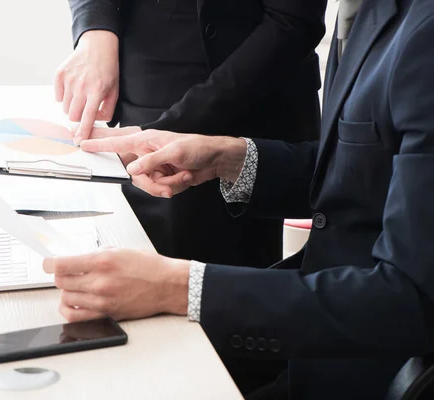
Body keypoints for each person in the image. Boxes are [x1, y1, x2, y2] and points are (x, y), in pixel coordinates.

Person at [44, 0, 434, 398]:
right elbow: (361, 178)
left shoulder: (424, 35)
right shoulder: (370, 11)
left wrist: (178, 287)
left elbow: (411, 300)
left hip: (357, 372)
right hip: (316, 344)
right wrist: (228, 159)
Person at [55, 0, 326, 272]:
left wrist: (172, 127)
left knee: (214, 295)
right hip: (139, 97)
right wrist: (95, 30)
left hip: (249, 104)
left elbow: (293, 22)